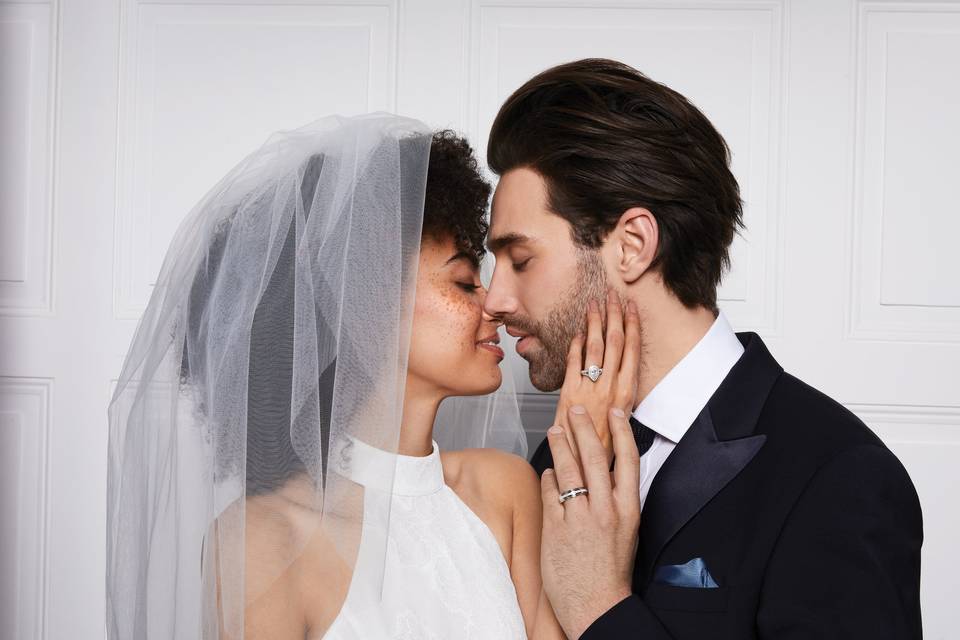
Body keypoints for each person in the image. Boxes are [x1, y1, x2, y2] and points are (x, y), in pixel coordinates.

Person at [483, 58, 924, 639]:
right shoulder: (558, 460)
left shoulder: (837, 475)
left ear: (632, 245)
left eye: (520, 259)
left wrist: (598, 606)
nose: (494, 299)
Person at [107, 115, 560, 639]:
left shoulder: (503, 489)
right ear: (361, 309)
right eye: (463, 281)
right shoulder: (262, 538)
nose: (496, 305)